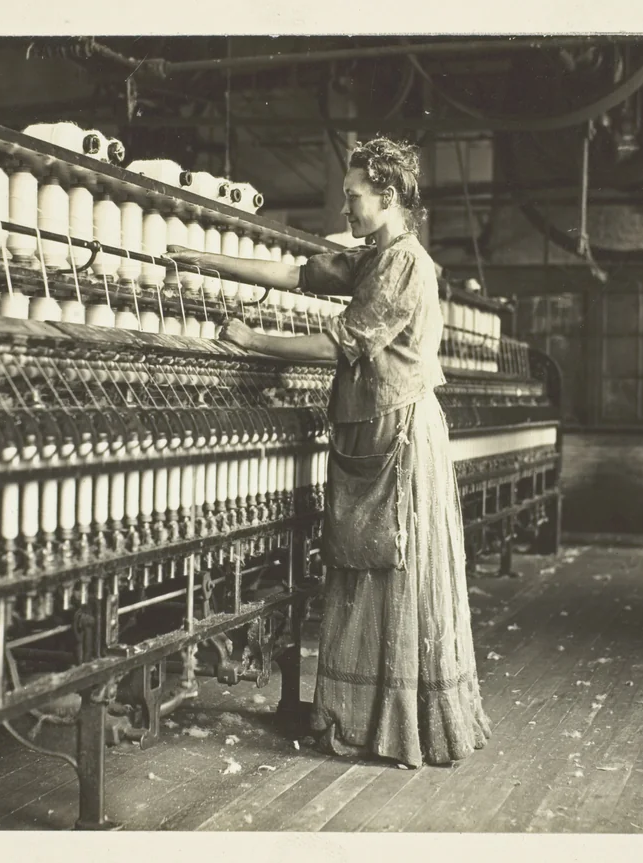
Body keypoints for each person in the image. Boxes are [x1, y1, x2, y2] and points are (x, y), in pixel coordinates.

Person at [166, 137, 490, 768]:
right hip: (368, 430)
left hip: (396, 434)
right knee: (365, 571)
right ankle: (360, 718)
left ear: (388, 198)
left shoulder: (406, 265)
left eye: (353, 197)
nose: (345, 208)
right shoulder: (375, 255)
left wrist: (251, 339)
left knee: (391, 572)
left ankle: (393, 725)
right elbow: (300, 273)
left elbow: (341, 343)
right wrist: (206, 260)